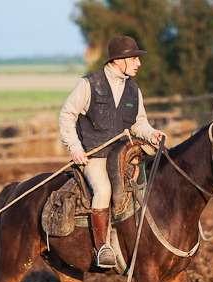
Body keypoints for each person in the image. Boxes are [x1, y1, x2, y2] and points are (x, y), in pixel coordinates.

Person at [59, 36, 166, 268]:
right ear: (119, 60)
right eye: (134, 58)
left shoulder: (133, 89)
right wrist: (75, 147)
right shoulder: (89, 84)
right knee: (104, 190)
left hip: (124, 154)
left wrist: (152, 134)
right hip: (94, 156)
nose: (138, 63)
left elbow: (139, 123)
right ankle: (103, 248)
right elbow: (67, 115)